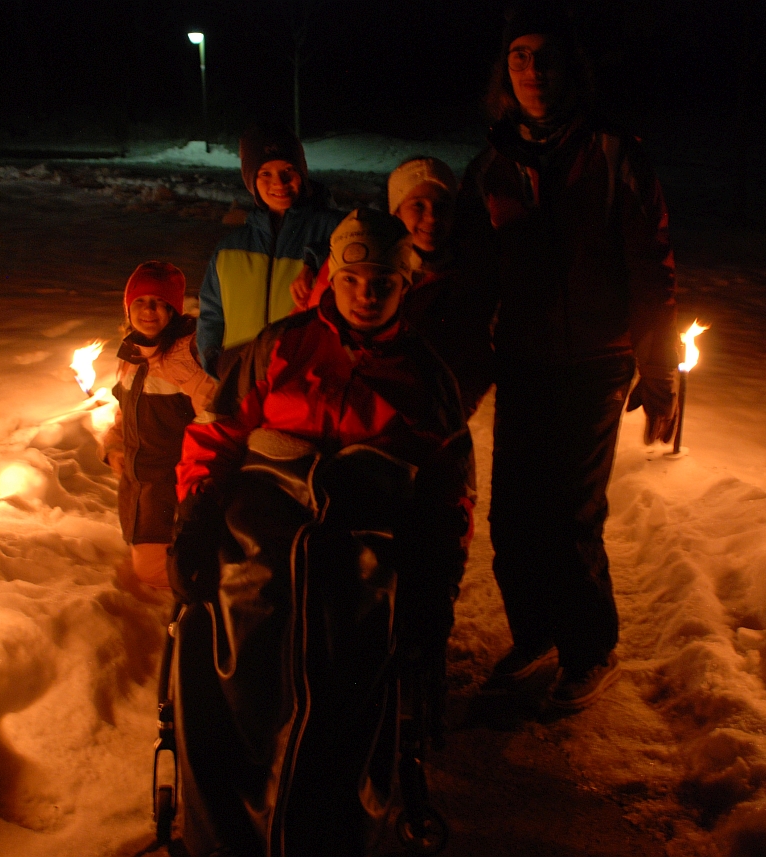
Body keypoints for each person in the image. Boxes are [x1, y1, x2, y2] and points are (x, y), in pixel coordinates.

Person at [169, 209, 474, 856]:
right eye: (355, 278)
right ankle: (228, 819)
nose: (367, 293)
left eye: (383, 283)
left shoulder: (425, 378)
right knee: (232, 622)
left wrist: (438, 578)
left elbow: (450, 490)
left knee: (348, 650)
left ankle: (322, 826)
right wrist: (194, 515)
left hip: (364, 532)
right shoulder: (280, 346)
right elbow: (217, 433)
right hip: (268, 515)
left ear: (404, 287)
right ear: (332, 277)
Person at [458, 4, 679, 710]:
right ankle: (537, 635)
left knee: (570, 513)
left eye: (545, 57)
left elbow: (651, 266)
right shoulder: (492, 165)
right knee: (511, 515)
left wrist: (659, 366)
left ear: (569, 69)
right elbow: (470, 276)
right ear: (505, 71)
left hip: (595, 358)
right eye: (519, 57)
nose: (533, 72)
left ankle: (590, 648)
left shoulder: (616, 153)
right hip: (523, 357)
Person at [296, 156, 496, 418]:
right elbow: (307, 342)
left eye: (442, 205)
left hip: (417, 423)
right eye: (418, 205)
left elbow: (473, 361)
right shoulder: (353, 263)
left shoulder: (465, 280)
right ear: (396, 210)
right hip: (342, 414)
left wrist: (447, 415)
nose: (432, 216)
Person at [100, 261, 218, 591]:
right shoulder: (131, 353)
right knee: (149, 570)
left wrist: (200, 485)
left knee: (160, 576)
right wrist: (114, 444)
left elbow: (212, 421)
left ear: (173, 309)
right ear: (128, 307)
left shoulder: (187, 357)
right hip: (139, 488)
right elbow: (124, 414)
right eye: (140, 301)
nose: (148, 310)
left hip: (174, 488)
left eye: (158, 302)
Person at [196, 122, 344, 378]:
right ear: (250, 179)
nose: (280, 182)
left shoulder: (337, 230)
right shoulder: (229, 249)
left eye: (288, 170)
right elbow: (211, 315)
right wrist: (214, 362)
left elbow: (378, 245)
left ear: (302, 172)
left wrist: (316, 260)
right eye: (265, 173)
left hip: (305, 383)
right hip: (242, 384)